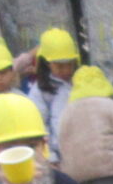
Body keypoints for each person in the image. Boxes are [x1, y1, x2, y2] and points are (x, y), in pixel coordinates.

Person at [28, 26, 81, 162]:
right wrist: (50, 156)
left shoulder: (82, 81)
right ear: (46, 63)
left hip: (85, 148)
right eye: (59, 66)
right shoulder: (40, 90)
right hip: (59, 155)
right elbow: (39, 126)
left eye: (70, 64)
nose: (66, 70)